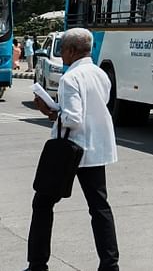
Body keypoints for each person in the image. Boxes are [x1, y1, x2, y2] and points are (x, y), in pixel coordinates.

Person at [28, 28, 120, 271]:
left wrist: (51, 112)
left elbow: (73, 119)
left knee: (42, 203)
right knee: (100, 207)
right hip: (96, 149)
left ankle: (38, 264)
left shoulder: (70, 78)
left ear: (69, 51)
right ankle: (110, 265)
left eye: (63, 51)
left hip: (70, 150)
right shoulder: (101, 74)